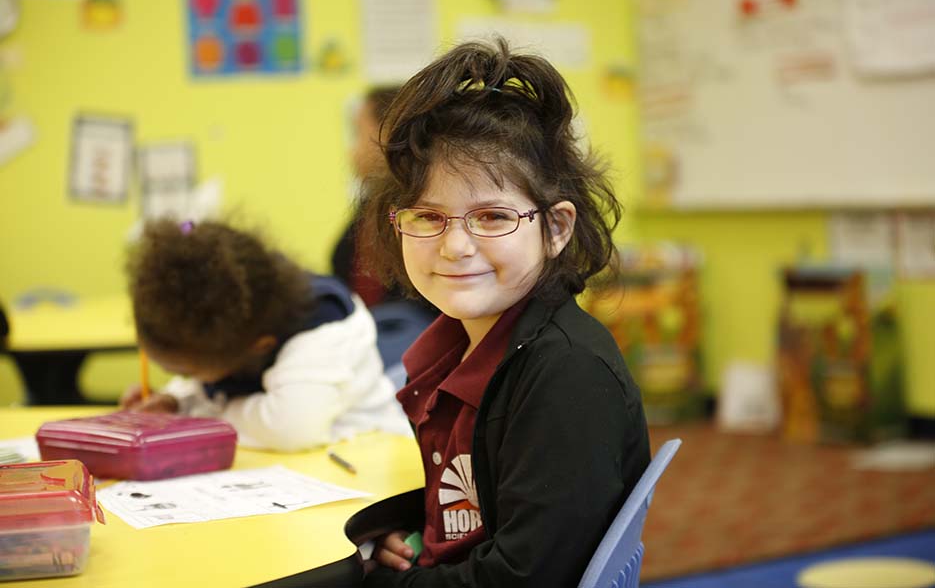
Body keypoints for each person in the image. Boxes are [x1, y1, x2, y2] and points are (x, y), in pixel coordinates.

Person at [358, 37, 651, 588]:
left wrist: (377, 581)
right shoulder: (456, 346)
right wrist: (409, 534)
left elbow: (522, 579)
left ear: (556, 229)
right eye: (428, 217)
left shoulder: (566, 375)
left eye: (492, 217)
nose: (455, 247)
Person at [120, 218, 410, 452]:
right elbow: (220, 389)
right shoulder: (234, 329)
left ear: (260, 347)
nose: (184, 378)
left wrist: (190, 416)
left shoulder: (323, 326)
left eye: (186, 371)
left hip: (368, 460)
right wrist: (175, 400)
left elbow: (291, 427)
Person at [332, 85, 437, 373]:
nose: (351, 151)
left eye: (358, 133)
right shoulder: (370, 206)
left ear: (389, 133)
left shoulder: (420, 209)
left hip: (406, 343)